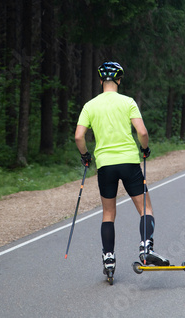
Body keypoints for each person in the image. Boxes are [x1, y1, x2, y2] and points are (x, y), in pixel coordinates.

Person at [74, 61, 170, 277]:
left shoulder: (90, 105)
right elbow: (142, 132)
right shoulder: (128, 102)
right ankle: (146, 249)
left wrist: (85, 156)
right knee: (145, 208)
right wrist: (144, 149)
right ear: (119, 79)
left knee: (108, 213)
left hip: (105, 165)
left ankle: (108, 258)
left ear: (101, 81)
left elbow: (78, 136)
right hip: (129, 162)